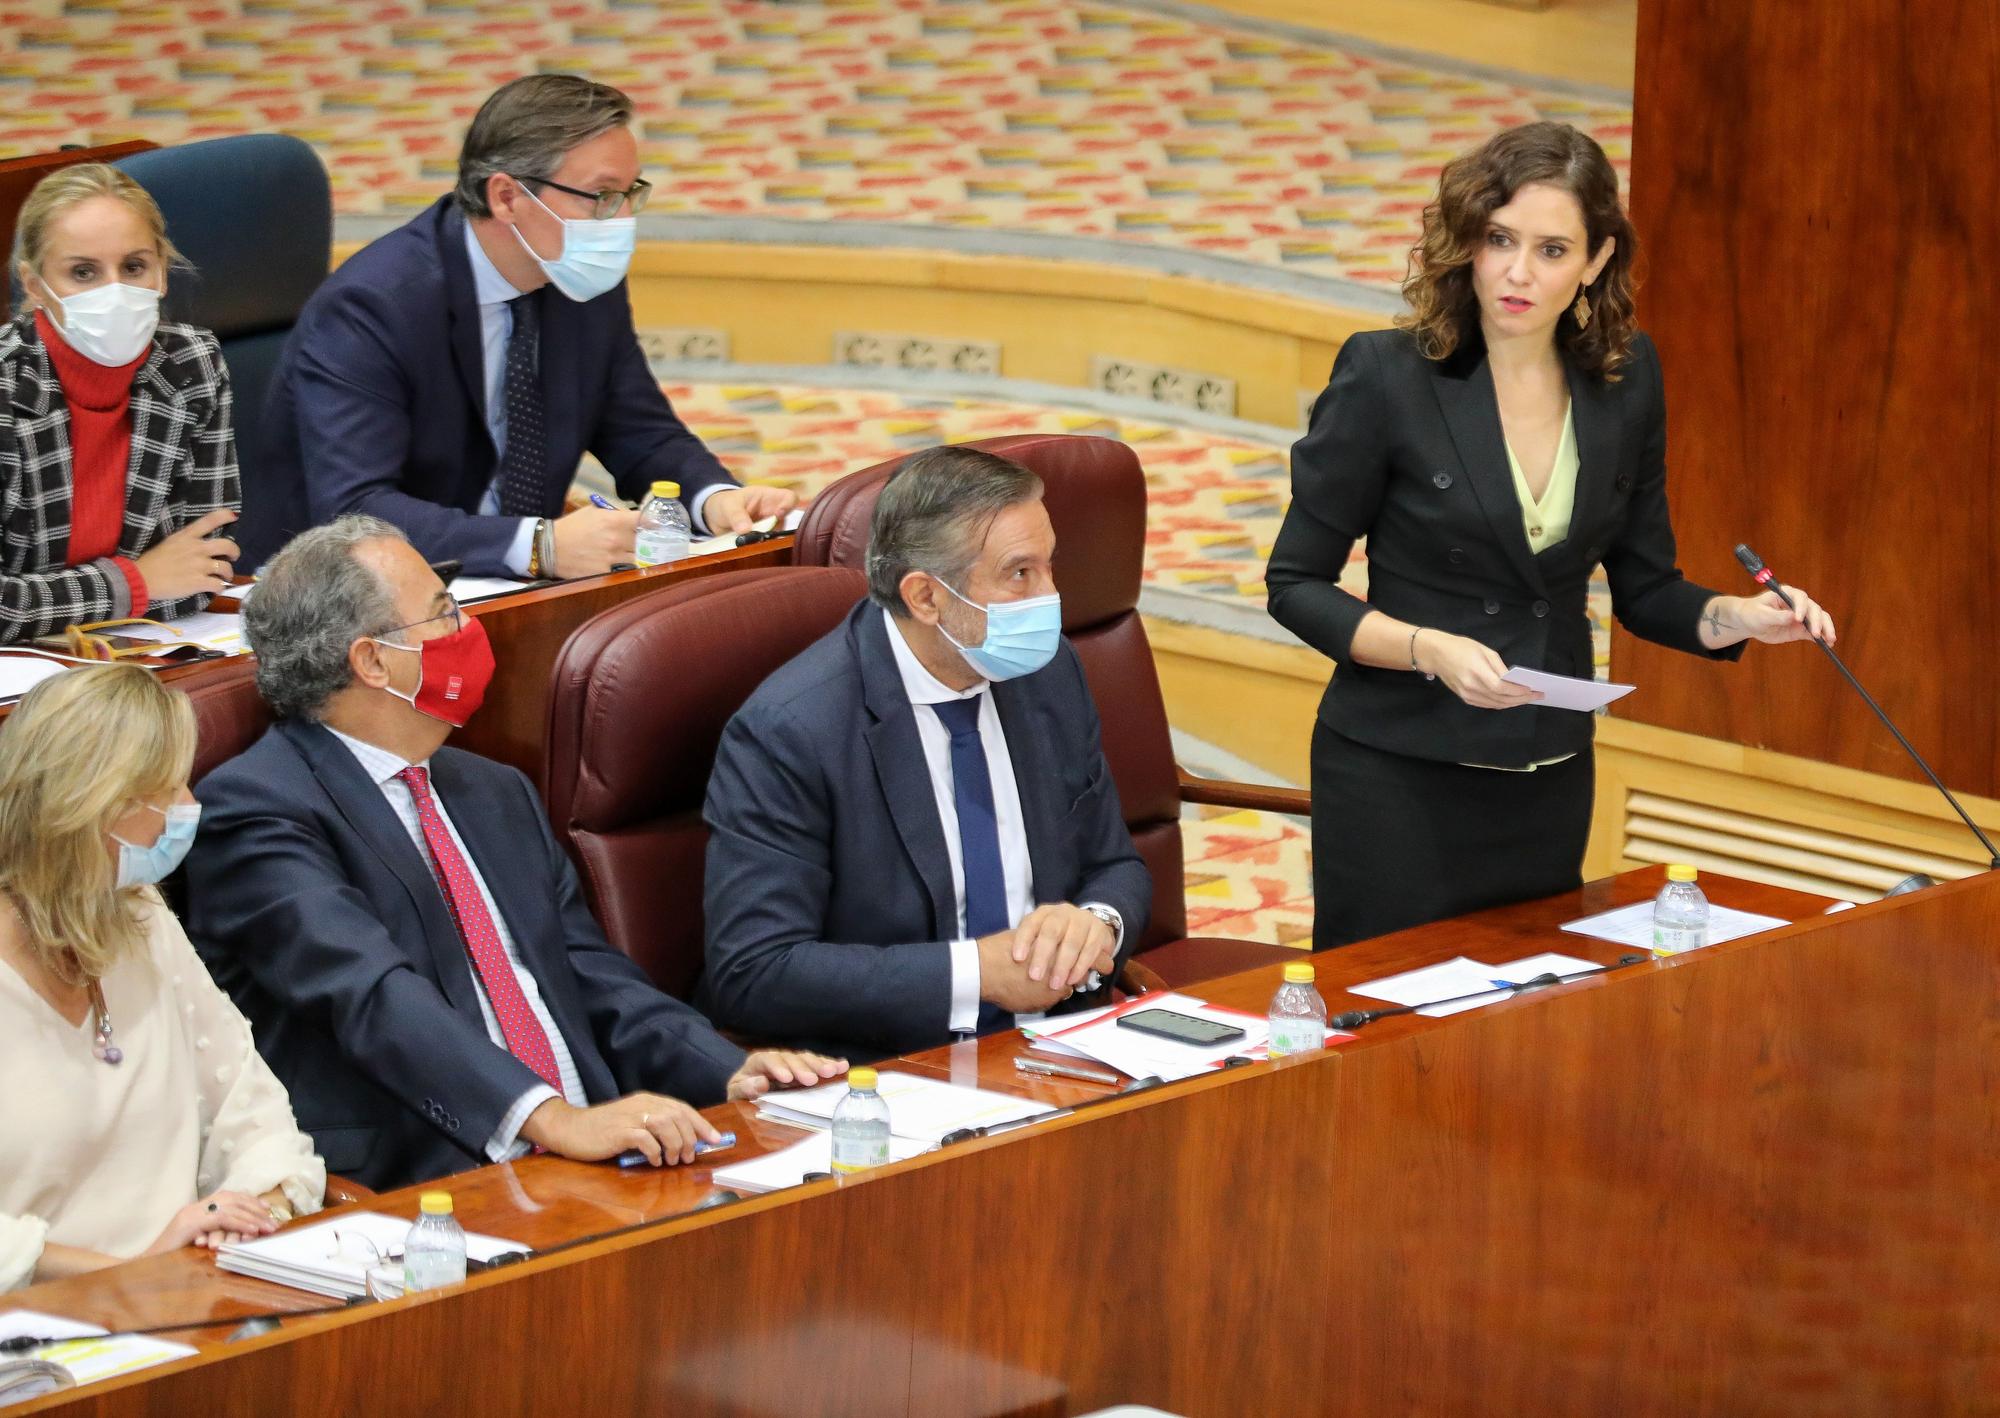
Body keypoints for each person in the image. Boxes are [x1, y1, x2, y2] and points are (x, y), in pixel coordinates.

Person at [1266, 122, 1836, 950]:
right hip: (1399, 771)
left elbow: (1645, 590)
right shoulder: (1387, 376)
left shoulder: (1626, 379)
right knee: (1386, 1042)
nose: (1519, 273)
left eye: (1552, 249)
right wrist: (1430, 649)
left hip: (1547, 774)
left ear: (1597, 261)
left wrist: (1740, 619)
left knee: (1525, 1026)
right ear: (1468, 240)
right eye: (1500, 240)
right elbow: (1296, 586)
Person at [185, 516, 841, 1192]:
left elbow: (589, 974)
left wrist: (724, 1069)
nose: (469, 631)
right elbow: (374, 997)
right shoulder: (258, 809)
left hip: (597, 1147)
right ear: (371, 661)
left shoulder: (490, 789)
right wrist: (549, 1120)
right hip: (436, 1172)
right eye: (445, 614)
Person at [702, 445, 1151, 1060]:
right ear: (925, 598)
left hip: (1063, 1042)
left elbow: (1116, 863)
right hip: (896, 1070)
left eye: (1050, 566)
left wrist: (1098, 921)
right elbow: (754, 970)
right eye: (1020, 574)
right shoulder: (791, 733)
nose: (1052, 597)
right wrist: (976, 973)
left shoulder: (1047, 673)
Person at [253, 73, 793, 576]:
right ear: (507, 196)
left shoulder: (577, 281)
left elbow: (639, 430)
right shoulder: (373, 306)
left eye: (632, 193)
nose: (622, 219)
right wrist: (538, 547)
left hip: (511, 589)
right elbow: (355, 513)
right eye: (603, 197)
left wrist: (715, 499)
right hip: (350, 602)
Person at [0, 665, 322, 1291]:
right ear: (90, 805)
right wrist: (132, 1274)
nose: (189, 807)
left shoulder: (141, 914)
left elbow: (252, 1108)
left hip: (188, 1295)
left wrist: (244, 1214)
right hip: (39, 1330)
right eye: (167, 788)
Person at [0, 163, 240, 644]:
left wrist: (49, 600)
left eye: (134, 267)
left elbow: (204, 569)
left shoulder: (192, 363)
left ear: (162, 273)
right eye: (83, 272)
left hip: (136, 648)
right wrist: (137, 583)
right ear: (33, 285)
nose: (114, 291)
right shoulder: (8, 387)